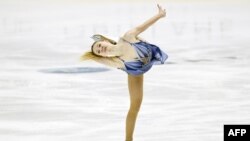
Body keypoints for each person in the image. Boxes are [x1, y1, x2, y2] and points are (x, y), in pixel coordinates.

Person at [81, 4, 168, 141]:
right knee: (134, 107)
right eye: (98, 52)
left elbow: (142, 27)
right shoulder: (114, 61)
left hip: (147, 53)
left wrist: (160, 15)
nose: (100, 49)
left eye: (99, 46)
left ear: (104, 41)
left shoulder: (128, 37)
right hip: (135, 71)